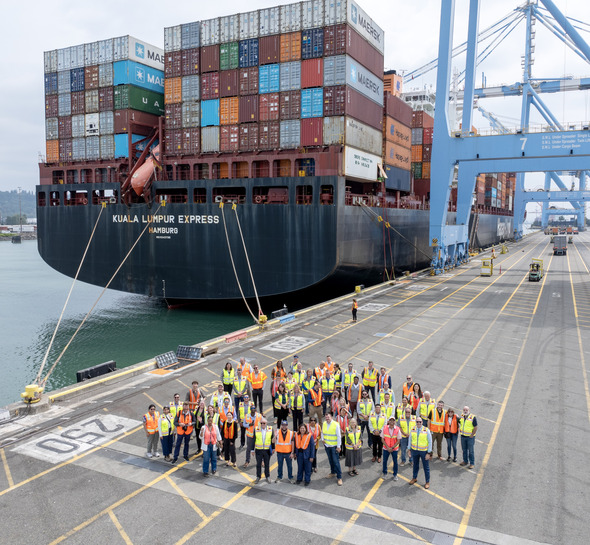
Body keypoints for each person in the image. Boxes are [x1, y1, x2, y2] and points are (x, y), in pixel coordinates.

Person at [407, 417, 433, 489]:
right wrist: (409, 449)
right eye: (417, 422)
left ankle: (427, 482)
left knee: (426, 467)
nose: (418, 423)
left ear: (422, 422)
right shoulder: (412, 429)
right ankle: (414, 478)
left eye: (420, 422)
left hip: (423, 452)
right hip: (415, 450)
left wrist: (429, 453)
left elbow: (430, 442)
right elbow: (410, 440)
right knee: (415, 465)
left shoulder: (426, 430)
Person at [321, 412, 343, 486]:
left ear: (331, 417)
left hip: (334, 446)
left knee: (336, 462)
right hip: (327, 446)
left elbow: (339, 436)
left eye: (328, 417)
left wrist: (339, 446)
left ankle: (339, 477)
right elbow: (322, 432)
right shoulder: (324, 423)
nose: (327, 418)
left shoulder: (336, 424)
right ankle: (333, 472)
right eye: (326, 417)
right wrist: (322, 439)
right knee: (330, 460)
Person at [253, 418, 275, 484]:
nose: (262, 424)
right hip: (258, 450)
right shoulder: (256, 429)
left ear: (266, 423)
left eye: (264, 423)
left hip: (267, 450)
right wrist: (252, 449)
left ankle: (267, 476)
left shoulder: (271, 429)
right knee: (258, 464)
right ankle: (258, 476)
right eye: (261, 423)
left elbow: (272, 440)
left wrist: (273, 448)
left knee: (267, 464)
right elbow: (253, 439)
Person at [382, 416, 402, 480]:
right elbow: (382, 439)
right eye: (390, 420)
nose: (392, 422)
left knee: (395, 462)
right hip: (386, 448)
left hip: (394, 449)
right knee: (385, 461)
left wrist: (392, 448)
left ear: (394, 422)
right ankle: (385, 473)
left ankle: (395, 474)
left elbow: (398, 440)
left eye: (393, 420)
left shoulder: (397, 429)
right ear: (388, 421)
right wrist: (388, 447)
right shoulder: (384, 428)